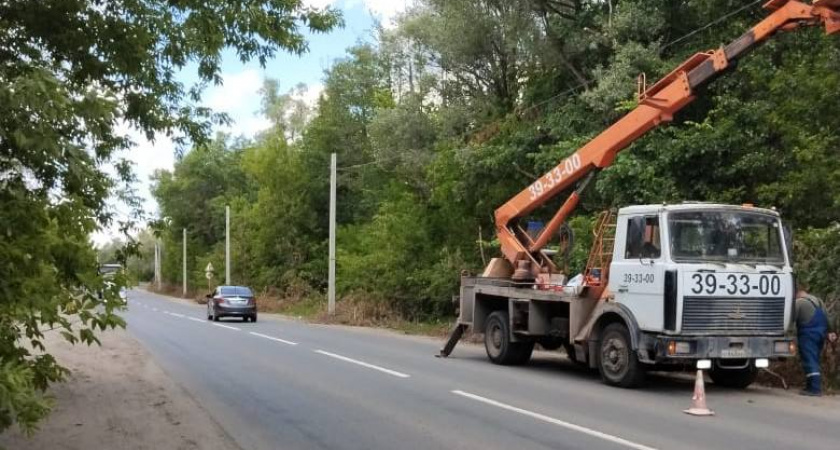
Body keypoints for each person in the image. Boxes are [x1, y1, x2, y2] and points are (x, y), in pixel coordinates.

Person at [794, 286, 837, 396]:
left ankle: (814, 389)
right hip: (821, 334)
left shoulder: (799, 302)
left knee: (809, 360)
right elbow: (827, 317)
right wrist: (831, 332)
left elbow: (792, 320)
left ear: (797, 293)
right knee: (814, 359)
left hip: (808, 335)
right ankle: (809, 386)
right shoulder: (818, 300)